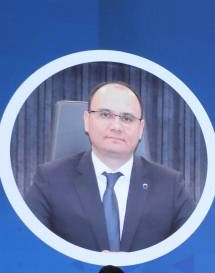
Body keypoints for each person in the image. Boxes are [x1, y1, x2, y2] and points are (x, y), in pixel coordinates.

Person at [24, 81, 195, 252]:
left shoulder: (170, 185)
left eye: (127, 118)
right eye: (105, 115)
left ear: (140, 129)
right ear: (87, 121)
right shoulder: (50, 180)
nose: (116, 127)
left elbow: (195, 248)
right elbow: (26, 248)